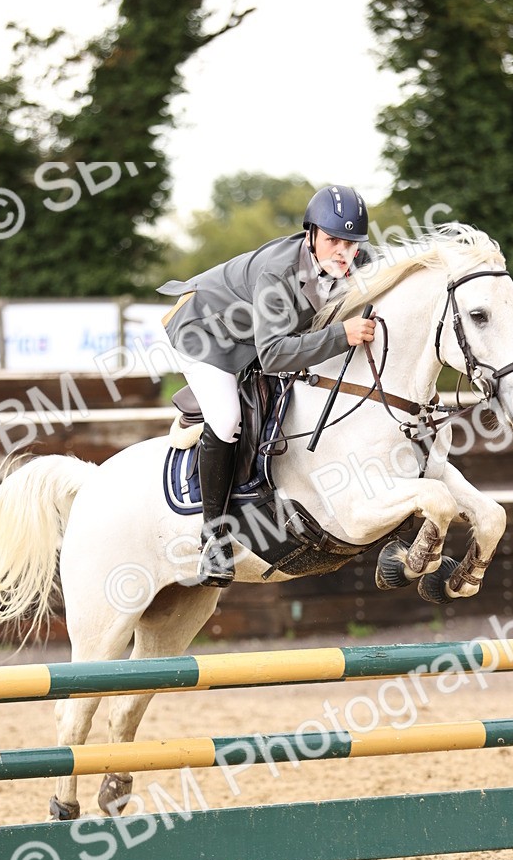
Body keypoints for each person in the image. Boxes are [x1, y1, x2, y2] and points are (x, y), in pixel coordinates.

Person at [158, 184, 376, 587]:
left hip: (252, 338)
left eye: (352, 244)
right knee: (226, 420)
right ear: (311, 235)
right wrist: (341, 336)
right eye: (333, 241)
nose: (343, 253)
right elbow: (275, 354)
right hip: (205, 332)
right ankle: (214, 541)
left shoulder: (353, 259)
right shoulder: (279, 272)